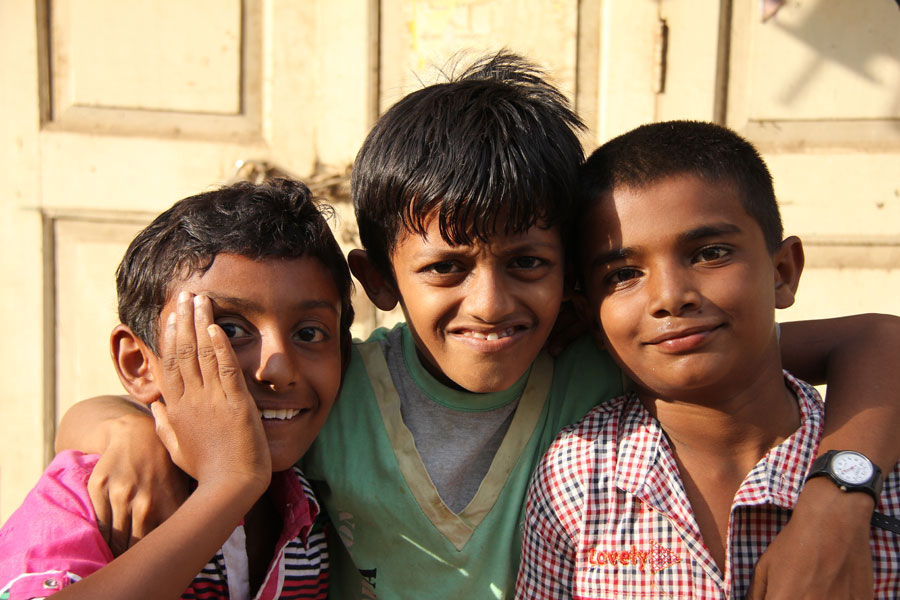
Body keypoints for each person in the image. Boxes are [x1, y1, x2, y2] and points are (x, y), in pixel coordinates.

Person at [55, 55, 900, 598]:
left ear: (570, 277)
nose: (490, 304)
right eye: (447, 268)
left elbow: (877, 340)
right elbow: (118, 412)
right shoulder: (335, 390)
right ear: (380, 280)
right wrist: (122, 429)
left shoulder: (610, 356)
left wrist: (835, 503)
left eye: (527, 263)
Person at [516, 120, 900, 598]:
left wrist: (838, 503)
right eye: (624, 274)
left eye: (710, 253)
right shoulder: (577, 476)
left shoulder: (881, 470)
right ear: (591, 318)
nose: (670, 297)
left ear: (782, 273)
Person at [0, 179, 354, 599]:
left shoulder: (326, 484)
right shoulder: (99, 498)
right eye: (229, 329)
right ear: (138, 363)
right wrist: (228, 487)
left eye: (310, 333)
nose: (278, 368)